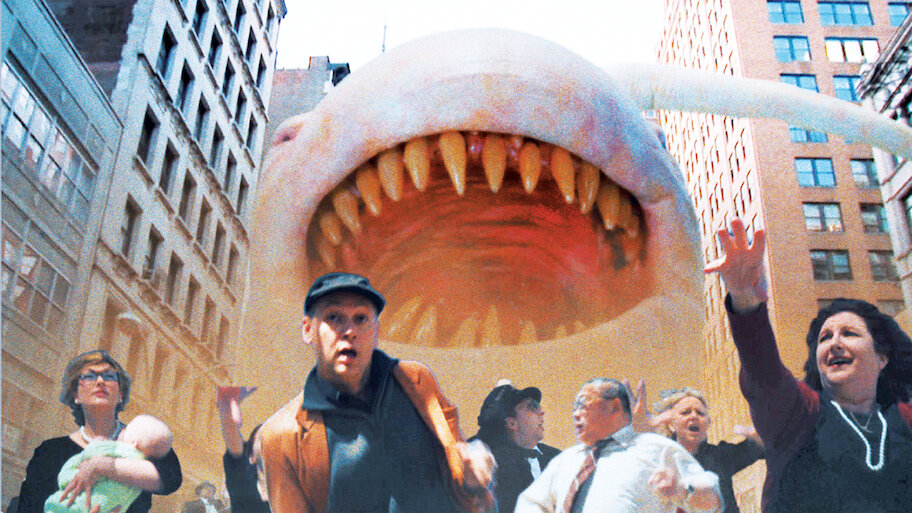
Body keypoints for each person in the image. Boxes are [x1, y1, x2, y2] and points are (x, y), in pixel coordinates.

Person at [706, 218, 912, 512]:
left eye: (849, 334)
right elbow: (765, 375)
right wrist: (745, 299)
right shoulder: (800, 415)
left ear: (882, 358)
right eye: (825, 338)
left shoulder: (904, 419)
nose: (834, 343)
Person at [259, 272, 495, 513]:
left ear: (375, 332)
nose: (350, 331)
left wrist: (472, 473)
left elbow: (463, 477)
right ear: (308, 330)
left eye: (361, 318)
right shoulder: (281, 437)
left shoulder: (417, 382)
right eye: (334, 317)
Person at [516, 378, 722, 513]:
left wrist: (683, 490)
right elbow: (531, 503)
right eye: (574, 408)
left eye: (583, 404)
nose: (575, 414)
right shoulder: (566, 460)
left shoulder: (655, 448)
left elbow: (712, 500)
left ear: (614, 407)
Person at [17, 350, 182, 513]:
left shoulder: (146, 438)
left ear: (121, 394)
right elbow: (28, 506)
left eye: (109, 377)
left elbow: (170, 479)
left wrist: (100, 465)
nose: (100, 381)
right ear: (76, 395)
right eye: (89, 376)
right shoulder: (49, 451)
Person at [647, 387, 763, 513]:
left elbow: (760, 448)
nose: (694, 416)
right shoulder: (658, 463)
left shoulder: (721, 456)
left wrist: (761, 436)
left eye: (700, 413)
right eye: (685, 412)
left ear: (708, 423)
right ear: (671, 425)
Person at [45, 415, 174, 513]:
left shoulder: (113, 449)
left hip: (71, 506)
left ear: (133, 443)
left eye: (125, 429)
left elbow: (69, 473)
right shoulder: (139, 481)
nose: (122, 430)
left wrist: (97, 445)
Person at [469, 381, 560, 513]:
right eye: (532, 407)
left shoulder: (558, 459)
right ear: (511, 423)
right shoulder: (486, 462)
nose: (542, 412)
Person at [215, 386, 268, 513]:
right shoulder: (244, 476)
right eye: (261, 440)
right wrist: (227, 405)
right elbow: (231, 433)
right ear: (252, 456)